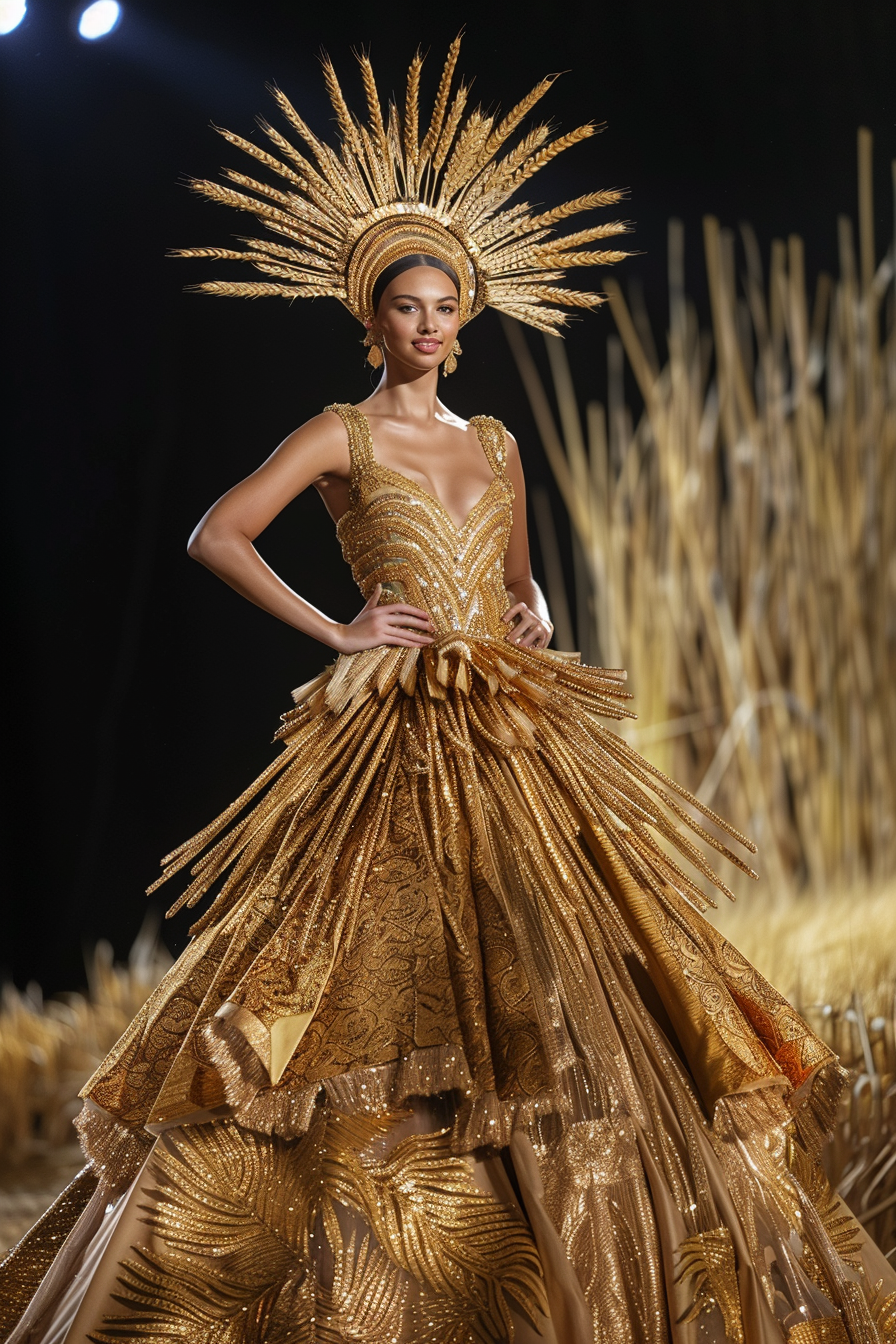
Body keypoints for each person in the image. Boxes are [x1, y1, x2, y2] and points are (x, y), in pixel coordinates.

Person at [2, 38, 893, 1344]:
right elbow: (215, 532)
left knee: (571, 987)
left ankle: (577, 1261)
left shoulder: (494, 441)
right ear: (372, 321)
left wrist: (534, 620)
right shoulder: (342, 434)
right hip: (399, 737)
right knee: (375, 982)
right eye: (408, 307)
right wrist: (344, 628)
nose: (429, 324)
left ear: (463, 321)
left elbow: (523, 581)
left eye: (445, 306)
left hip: (515, 732)